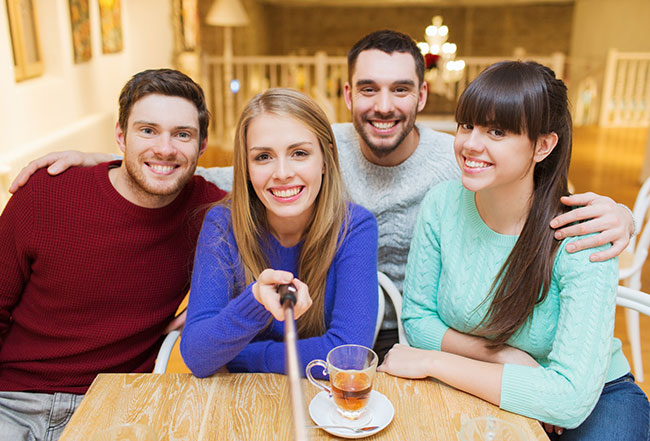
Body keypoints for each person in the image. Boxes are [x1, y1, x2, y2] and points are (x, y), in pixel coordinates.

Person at [8, 30, 635, 362]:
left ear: (422, 96)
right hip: (317, 339)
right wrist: (116, 155)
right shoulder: (307, 149)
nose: (382, 105)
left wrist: (620, 210)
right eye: (368, 88)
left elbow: (541, 193)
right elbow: (229, 177)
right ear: (346, 96)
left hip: (405, 339)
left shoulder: (463, 159)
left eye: (398, 90)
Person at [378, 61, 650, 440]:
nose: (471, 144)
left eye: (498, 131)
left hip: (596, 398)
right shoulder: (441, 204)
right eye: (467, 125)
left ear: (542, 145)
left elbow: (570, 400)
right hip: (485, 384)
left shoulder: (582, 233)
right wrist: (506, 356)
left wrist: (430, 361)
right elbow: (418, 319)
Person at [0, 69, 227, 441]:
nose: (165, 149)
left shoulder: (210, 211)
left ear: (202, 147)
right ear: (121, 135)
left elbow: (273, 212)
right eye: (147, 130)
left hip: (115, 405)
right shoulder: (44, 194)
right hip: (13, 398)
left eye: (182, 135)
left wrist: (208, 306)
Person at [179, 88, 378, 377]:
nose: (282, 172)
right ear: (246, 168)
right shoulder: (222, 224)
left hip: (318, 404)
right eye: (263, 157)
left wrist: (235, 356)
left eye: (299, 153)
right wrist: (256, 300)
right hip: (237, 403)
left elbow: (349, 356)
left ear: (326, 159)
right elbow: (197, 356)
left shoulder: (355, 227)